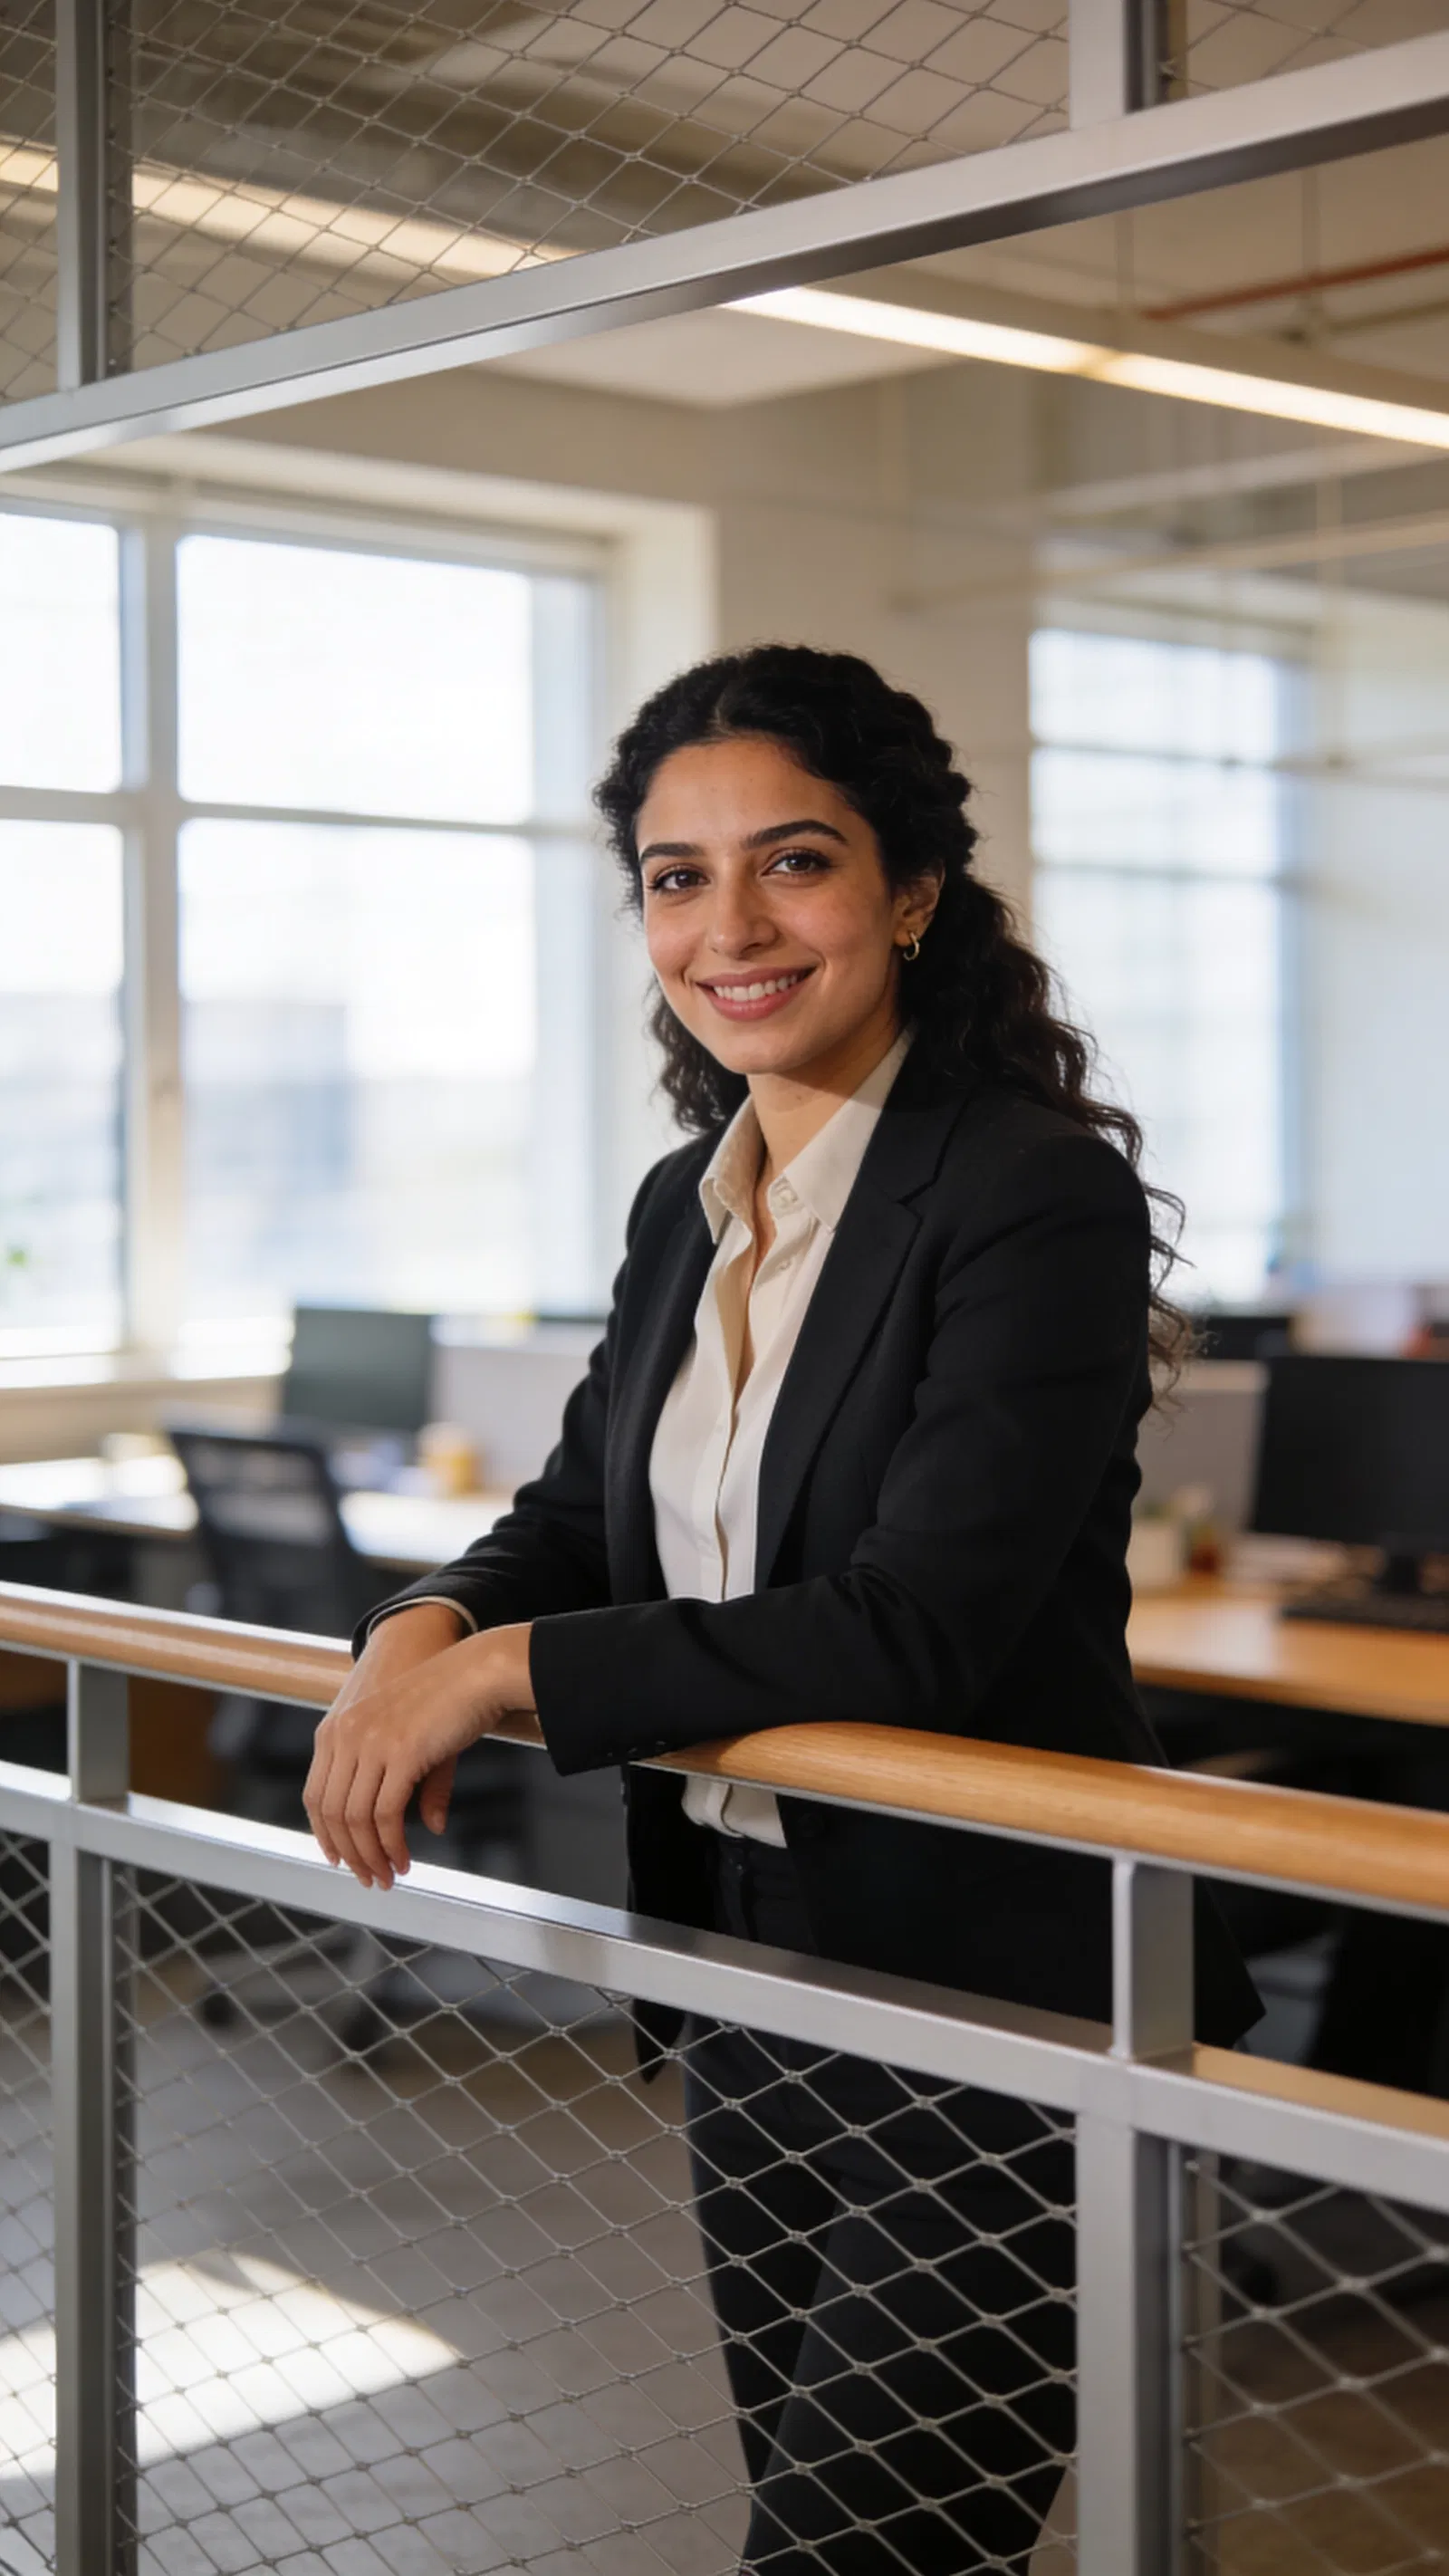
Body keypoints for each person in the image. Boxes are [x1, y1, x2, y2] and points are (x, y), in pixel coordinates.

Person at [304, 645, 1258, 2571]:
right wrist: (426, 1619)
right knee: (836, 2530)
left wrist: (507, 1669)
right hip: (747, 1959)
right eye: (674, 875)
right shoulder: (690, 1198)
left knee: (852, 2554)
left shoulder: (1023, 1193)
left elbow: (917, 1623)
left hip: (992, 1980)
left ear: (907, 893)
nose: (726, 924)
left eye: (790, 863)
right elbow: (582, 1512)